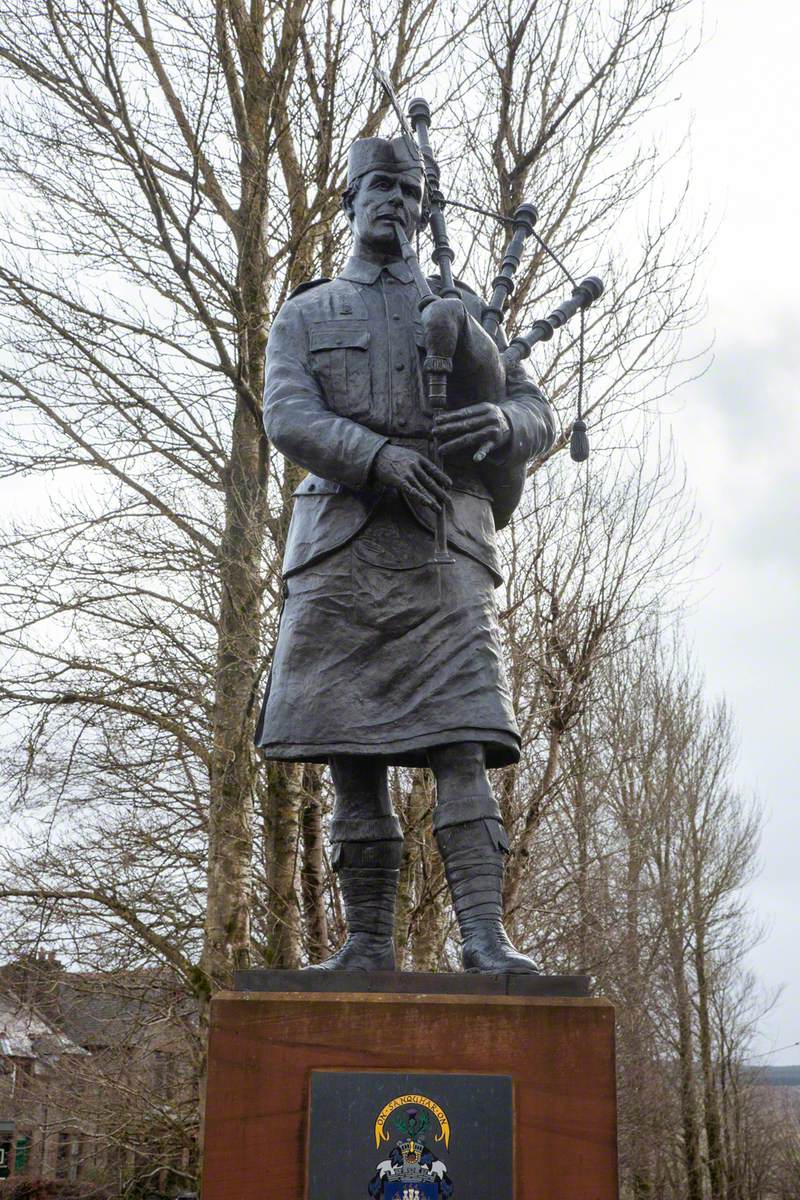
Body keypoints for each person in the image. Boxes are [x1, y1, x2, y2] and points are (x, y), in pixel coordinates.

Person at [256, 134, 555, 973]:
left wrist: (502, 423)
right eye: (376, 187)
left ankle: (487, 942)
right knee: (351, 757)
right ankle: (366, 947)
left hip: (442, 550)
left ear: (424, 211)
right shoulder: (306, 314)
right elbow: (288, 414)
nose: (392, 200)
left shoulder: (464, 317)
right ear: (349, 203)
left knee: (461, 742)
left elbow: (535, 410)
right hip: (341, 548)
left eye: (407, 190)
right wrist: (379, 457)